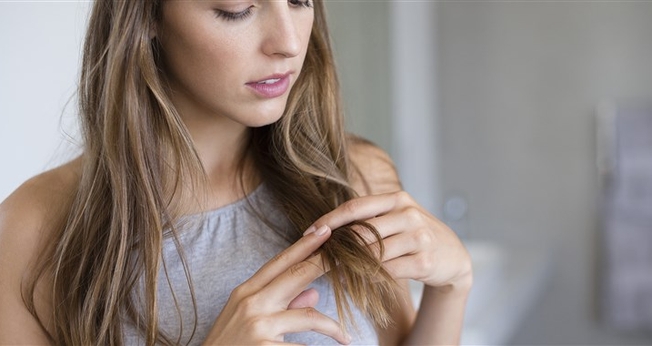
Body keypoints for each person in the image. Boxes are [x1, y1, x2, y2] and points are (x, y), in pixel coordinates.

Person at [0, 0, 472, 345]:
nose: (287, 44)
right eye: (237, 9)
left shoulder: (353, 176)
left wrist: (452, 288)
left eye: (300, 1)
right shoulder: (34, 229)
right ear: (146, 15)